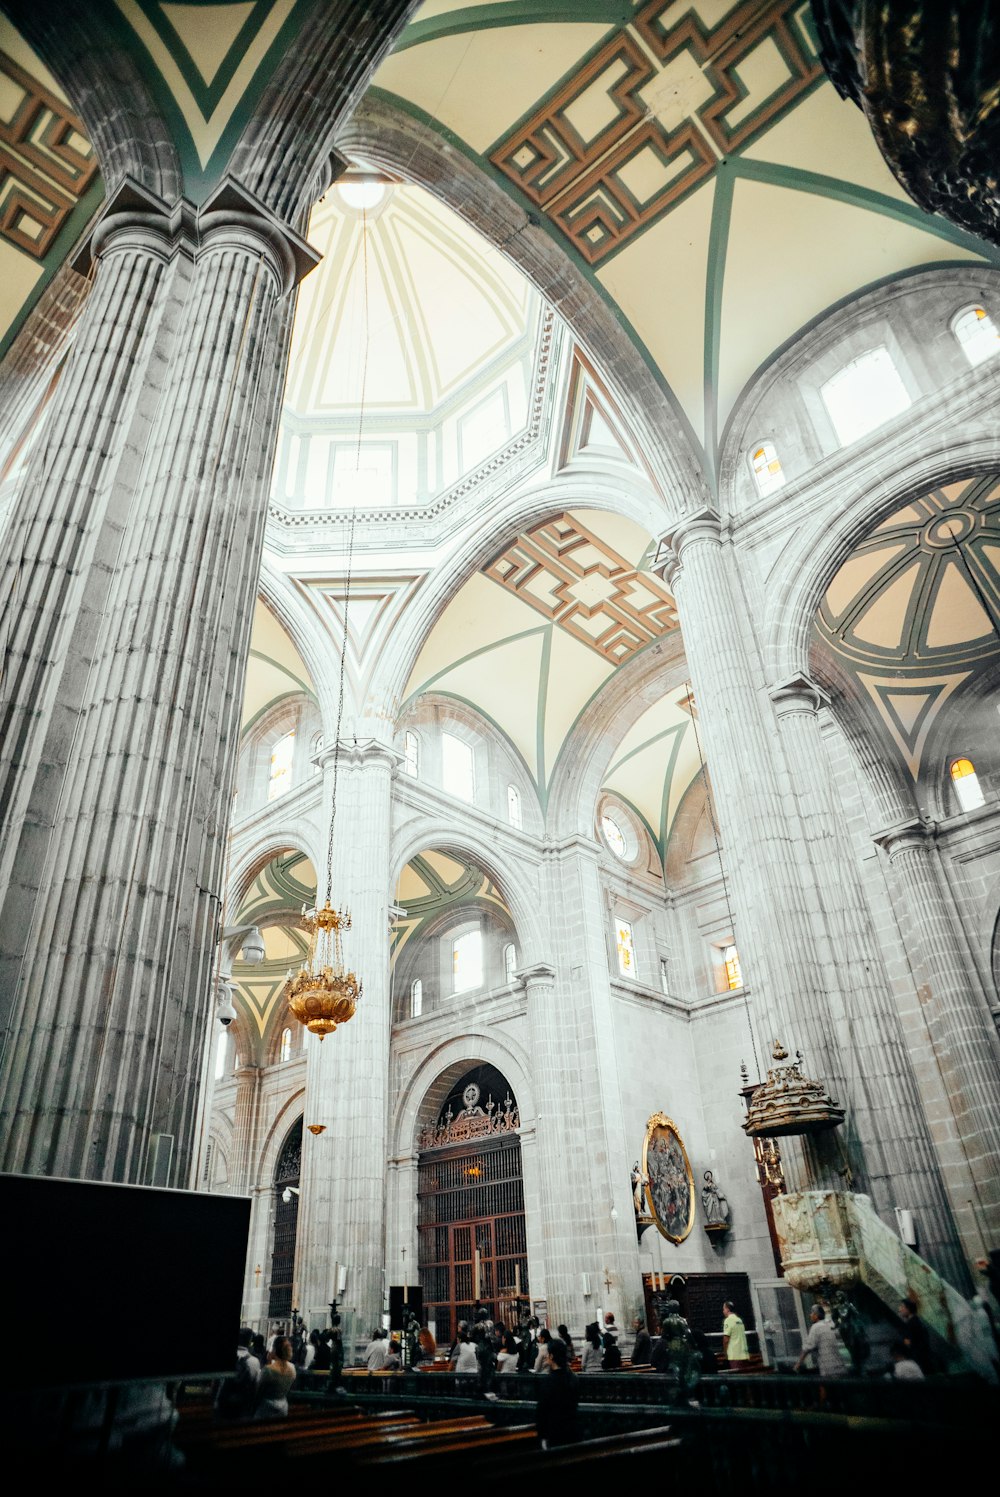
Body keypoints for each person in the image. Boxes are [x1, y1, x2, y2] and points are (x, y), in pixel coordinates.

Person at [534, 1337, 579, 1450]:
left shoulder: (548, 1382)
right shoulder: (574, 1378)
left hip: (554, 1434)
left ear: (551, 1356)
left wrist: (543, 1437)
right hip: (572, 1432)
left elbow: (542, 1412)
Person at [216, 1327, 260, 1420]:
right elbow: (256, 1386)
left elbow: (216, 1382)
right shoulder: (254, 1362)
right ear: (250, 1341)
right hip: (242, 1407)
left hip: (223, 1403)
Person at [795, 1304, 848, 1378]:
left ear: (816, 1315)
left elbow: (807, 1348)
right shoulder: (830, 1324)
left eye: (811, 1313)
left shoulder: (815, 1327)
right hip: (841, 1366)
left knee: (825, 1387)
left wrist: (798, 1364)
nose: (810, 1315)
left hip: (828, 1369)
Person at [254, 1337, 296, 1420]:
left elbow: (259, 1391)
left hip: (266, 1408)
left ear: (275, 1349)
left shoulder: (268, 1370)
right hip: (283, 1406)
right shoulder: (292, 1368)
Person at [898, 1298, 931, 1373]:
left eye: (902, 1307)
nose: (899, 1309)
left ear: (908, 1309)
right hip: (925, 1359)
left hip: (918, 1361)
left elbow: (908, 1344)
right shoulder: (918, 1322)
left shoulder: (911, 1325)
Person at [722, 1301, 749, 1369]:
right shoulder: (739, 1320)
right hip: (744, 1354)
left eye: (724, 1309)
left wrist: (725, 1353)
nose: (723, 1311)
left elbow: (726, 1340)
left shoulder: (728, 1320)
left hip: (735, 1355)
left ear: (727, 1309)